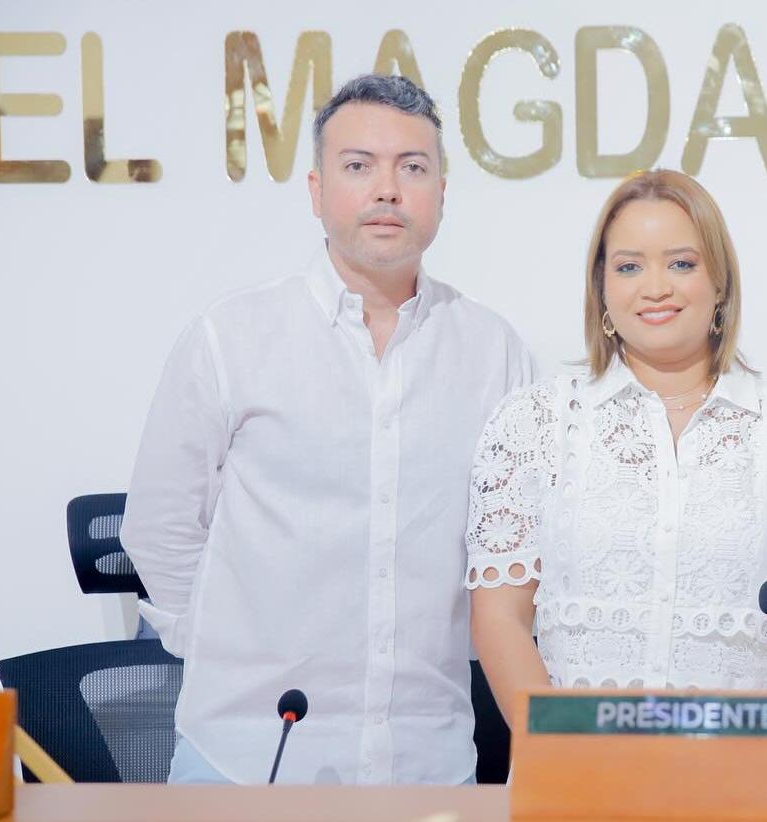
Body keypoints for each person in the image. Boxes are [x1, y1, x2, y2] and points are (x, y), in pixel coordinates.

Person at [120, 74, 533, 784]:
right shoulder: (232, 337)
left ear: (441, 191)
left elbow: (520, 542)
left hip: (426, 764)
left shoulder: (493, 351)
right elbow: (159, 525)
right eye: (357, 166)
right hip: (244, 760)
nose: (387, 189)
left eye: (412, 167)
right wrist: (220, 646)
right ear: (316, 191)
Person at [465, 170, 767, 719]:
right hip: (575, 785)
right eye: (629, 266)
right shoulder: (534, 424)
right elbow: (499, 618)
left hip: (743, 788)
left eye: (682, 263)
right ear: (601, 289)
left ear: (719, 282)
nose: (656, 287)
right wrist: (560, 749)